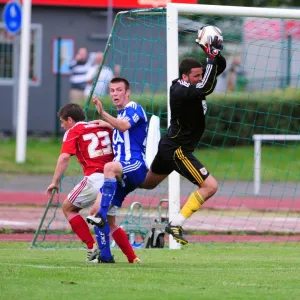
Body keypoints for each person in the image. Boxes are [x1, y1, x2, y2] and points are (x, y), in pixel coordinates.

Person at [139, 36, 227, 245]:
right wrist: (210, 57)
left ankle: (115, 177)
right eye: (196, 75)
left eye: (200, 75)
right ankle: (176, 222)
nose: (200, 78)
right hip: (178, 150)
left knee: (147, 183)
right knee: (210, 187)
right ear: (185, 76)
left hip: (168, 145)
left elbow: (217, 69)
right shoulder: (179, 89)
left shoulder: (192, 84)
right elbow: (206, 87)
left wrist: (213, 53)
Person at [86, 77, 148, 263]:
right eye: (112, 90)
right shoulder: (119, 116)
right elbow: (121, 128)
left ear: (127, 92)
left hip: (135, 165)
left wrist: (103, 114)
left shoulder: (134, 108)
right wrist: (109, 124)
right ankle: (114, 257)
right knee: (96, 210)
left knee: (109, 167)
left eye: (119, 90)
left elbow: (125, 126)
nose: (115, 94)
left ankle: (101, 215)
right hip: (121, 173)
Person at [46, 103, 114, 262]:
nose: (62, 126)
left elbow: (64, 158)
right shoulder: (103, 126)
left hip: (95, 177)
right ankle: (112, 256)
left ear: (70, 120)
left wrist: (55, 182)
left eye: (63, 122)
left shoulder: (73, 131)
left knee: (68, 208)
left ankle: (91, 248)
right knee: (107, 219)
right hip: (113, 179)